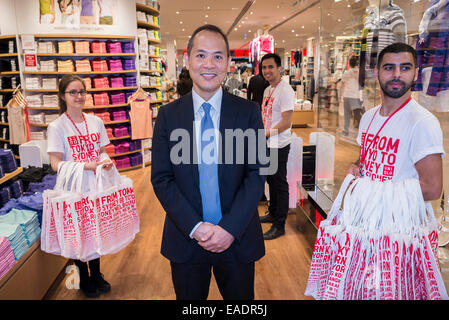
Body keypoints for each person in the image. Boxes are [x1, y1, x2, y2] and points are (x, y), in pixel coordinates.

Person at [151, 24, 266, 300]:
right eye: (201, 55)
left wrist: (229, 228)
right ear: (187, 60)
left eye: (217, 56)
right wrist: (195, 227)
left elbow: (257, 172)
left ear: (228, 63)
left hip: (236, 238)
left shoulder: (248, 112)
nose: (209, 64)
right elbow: (162, 179)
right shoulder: (168, 116)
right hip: (186, 238)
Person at [348, 43, 443, 202]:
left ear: (415, 74)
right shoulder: (368, 117)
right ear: (377, 73)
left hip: (399, 224)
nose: (397, 74)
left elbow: (432, 189)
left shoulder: (423, 122)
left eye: (405, 68)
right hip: (366, 218)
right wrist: (356, 167)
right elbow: (367, 158)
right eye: (389, 68)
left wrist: (375, 191)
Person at [47, 75, 114, 298]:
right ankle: (83, 278)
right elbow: (55, 164)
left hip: (95, 185)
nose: (79, 96)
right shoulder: (57, 126)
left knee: (94, 231)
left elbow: (103, 150)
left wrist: (104, 161)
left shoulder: (96, 121)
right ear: (63, 96)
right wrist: (86, 166)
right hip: (72, 188)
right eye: (73, 92)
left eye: (82, 91)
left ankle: (96, 274)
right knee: (78, 233)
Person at [259, 53, 295, 240]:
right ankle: (272, 212)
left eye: (270, 67)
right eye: (264, 67)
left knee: (279, 183)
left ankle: (279, 224)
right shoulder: (268, 90)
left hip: (279, 144)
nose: (267, 71)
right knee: (270, 181)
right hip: (268, 142)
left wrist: (264, 134)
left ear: (279, 68)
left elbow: (286, 123)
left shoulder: (286, 90)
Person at [340, 55, 363, 136]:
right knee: (357, 114)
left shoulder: (347, 72)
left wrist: (340, 96)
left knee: (347, 115)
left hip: (346, 95)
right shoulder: (359, 72)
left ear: (349, 63)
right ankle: (362, 131)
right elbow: (361, 84)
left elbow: (342, 85)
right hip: (355, 96)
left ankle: (346, 131)